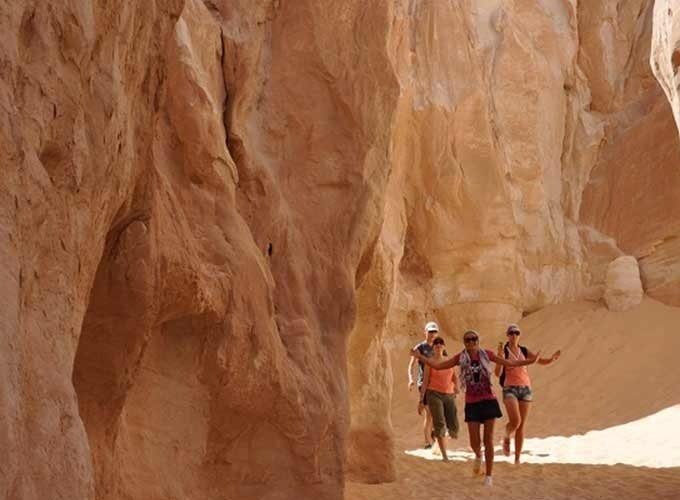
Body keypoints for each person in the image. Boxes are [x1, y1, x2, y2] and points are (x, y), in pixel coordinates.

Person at [412, 329, 538, 486]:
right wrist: (420, 357)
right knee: (474, 443)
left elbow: (509, 363)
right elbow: (439, 366)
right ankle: (478, 455)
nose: (471, 341)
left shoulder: (487, 354)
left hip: (488, 400)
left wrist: (529, 361)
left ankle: (489, 476)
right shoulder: (460, 357)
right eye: (467, 339)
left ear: (478, 340)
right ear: (464, 342)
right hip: (472, 402)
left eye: (474, 338)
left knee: (488, 440)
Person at [494, 324, 561, 464]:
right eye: (511, 333)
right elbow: (497, 373)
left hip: (525, 388)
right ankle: (506, 435)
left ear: (519, 335)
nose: (514, 335)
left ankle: (517, 459)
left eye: (516, 333)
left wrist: (552, 359)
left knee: (521, 425)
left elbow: (539, 361)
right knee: (515, 421)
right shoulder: (504, 351)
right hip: (509, 388)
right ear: (507, 335)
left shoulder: (523, 350)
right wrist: (499, 357)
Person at [419, 336, 459, 461]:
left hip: (449, 394)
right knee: (439, 423)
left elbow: (454, 377)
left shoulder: (449, 361)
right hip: (434, 394)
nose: (438, 344)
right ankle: (444, 456)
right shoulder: (429, 363)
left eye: (441, 343)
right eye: (436, 343)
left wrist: (456, 387)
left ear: (444, 346)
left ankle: (439, 438)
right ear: (433, 347)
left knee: (454, 426)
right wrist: (421, 400)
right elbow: (425, 382)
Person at [408, 321, 439, 448]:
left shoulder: (439, 346)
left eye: (434, 332)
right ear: (425, 332)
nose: (432, 334)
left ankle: (432, 433)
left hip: (436, 383)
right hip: (423, 383)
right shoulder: (419, 348)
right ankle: (427, 442)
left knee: (434, 413)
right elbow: (410, 365)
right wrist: (410, 379)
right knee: (429, 413)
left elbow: (444, 363)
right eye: (430, 331)